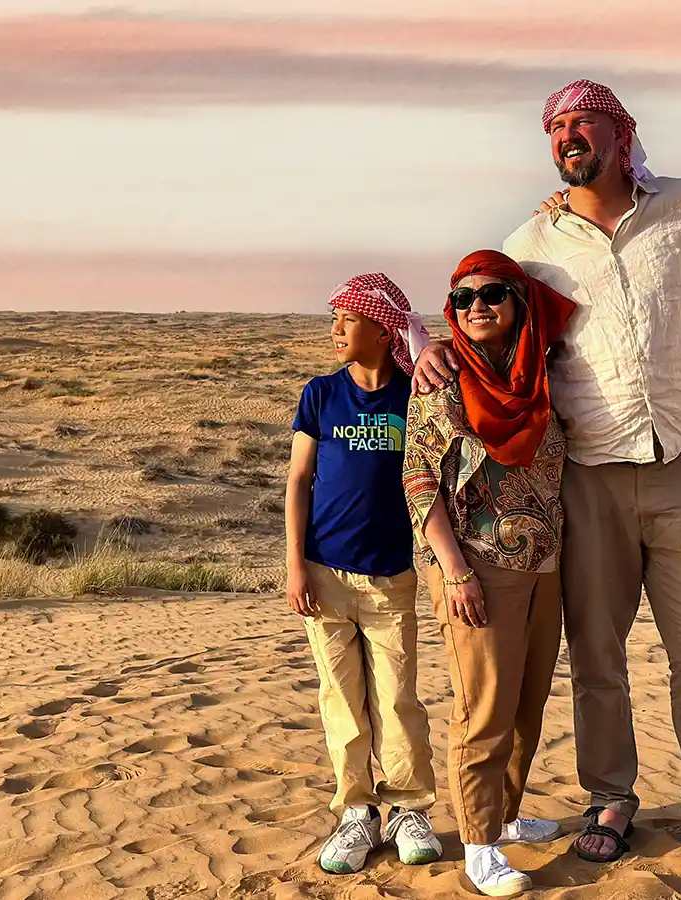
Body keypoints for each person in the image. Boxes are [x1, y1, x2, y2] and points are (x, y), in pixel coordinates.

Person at [413, 79, 681, 862]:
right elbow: (472, 295)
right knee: (598, 653)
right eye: (555, 127)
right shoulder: (534, 244)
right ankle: (610, 799)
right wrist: (429, 346)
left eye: (583, 122)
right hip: (588, 475)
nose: (567, 135)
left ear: (622, 133)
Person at [403, 250, 577, 896]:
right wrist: (455, 572)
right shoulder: (442, 383)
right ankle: (478, 846)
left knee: (527, 704)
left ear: (519, 302)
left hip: (545, 565)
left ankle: (502, 818)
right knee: (484, 710)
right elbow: (418, 482)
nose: (478, 307)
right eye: (463, 298)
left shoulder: (542, 376)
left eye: (493, 294)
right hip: (476, 570)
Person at [284, 273, 442, 875]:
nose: (335, 331)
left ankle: (408, 809)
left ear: (381, 328)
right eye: (333, 321)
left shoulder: (413, 395)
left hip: (391, 577)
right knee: (342, 700)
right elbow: (299, 480)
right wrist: (295, 564)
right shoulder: (321, 395)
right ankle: (357, 811)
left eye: (345, 321)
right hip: (323, 575)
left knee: (397, 699)